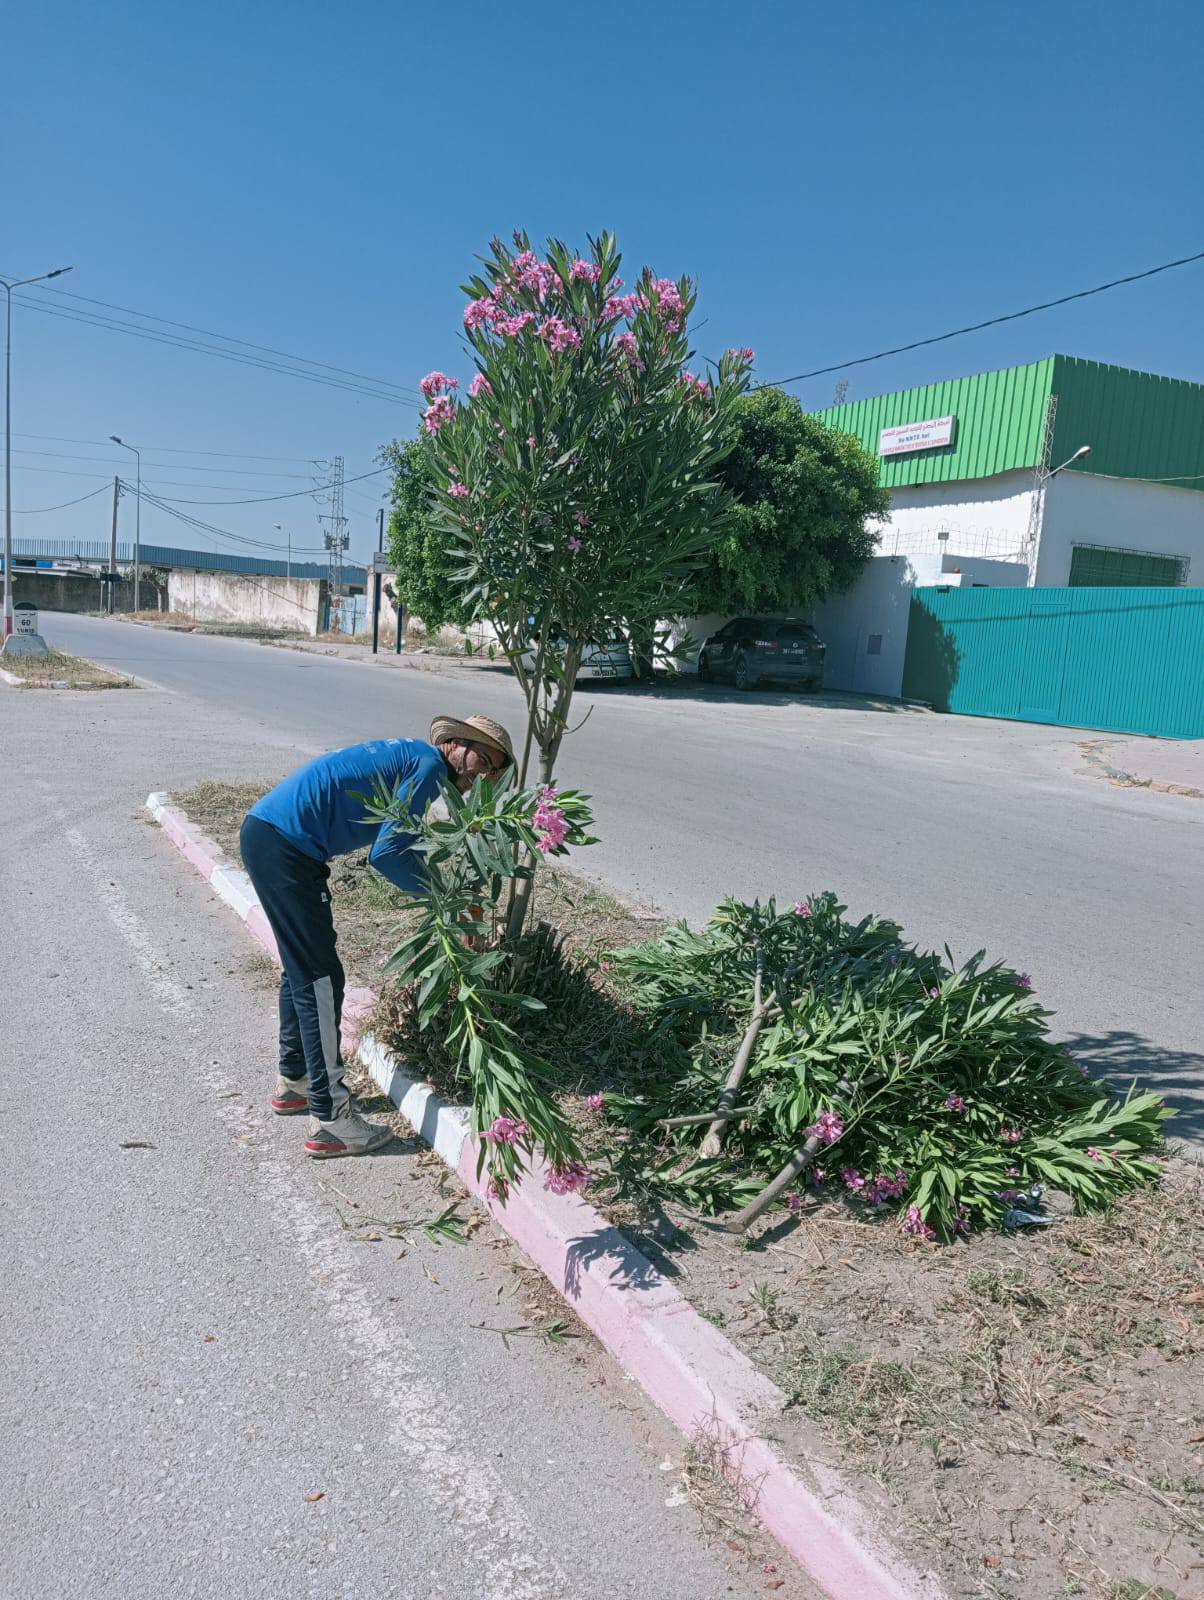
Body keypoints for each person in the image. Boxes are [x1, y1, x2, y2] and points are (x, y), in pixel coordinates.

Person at [240, 714, 513, 1158]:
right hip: (286, 846)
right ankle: (331, 1121)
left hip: (273, 837)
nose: (480, 776)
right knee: (320, 979)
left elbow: (396, 841)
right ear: (456, 744)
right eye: (481, 761)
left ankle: (296, 1081)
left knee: (304, 970)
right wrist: (448, 898)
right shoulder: (430, 767)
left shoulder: (416, 758)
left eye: (492, 771)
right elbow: (387, 855)